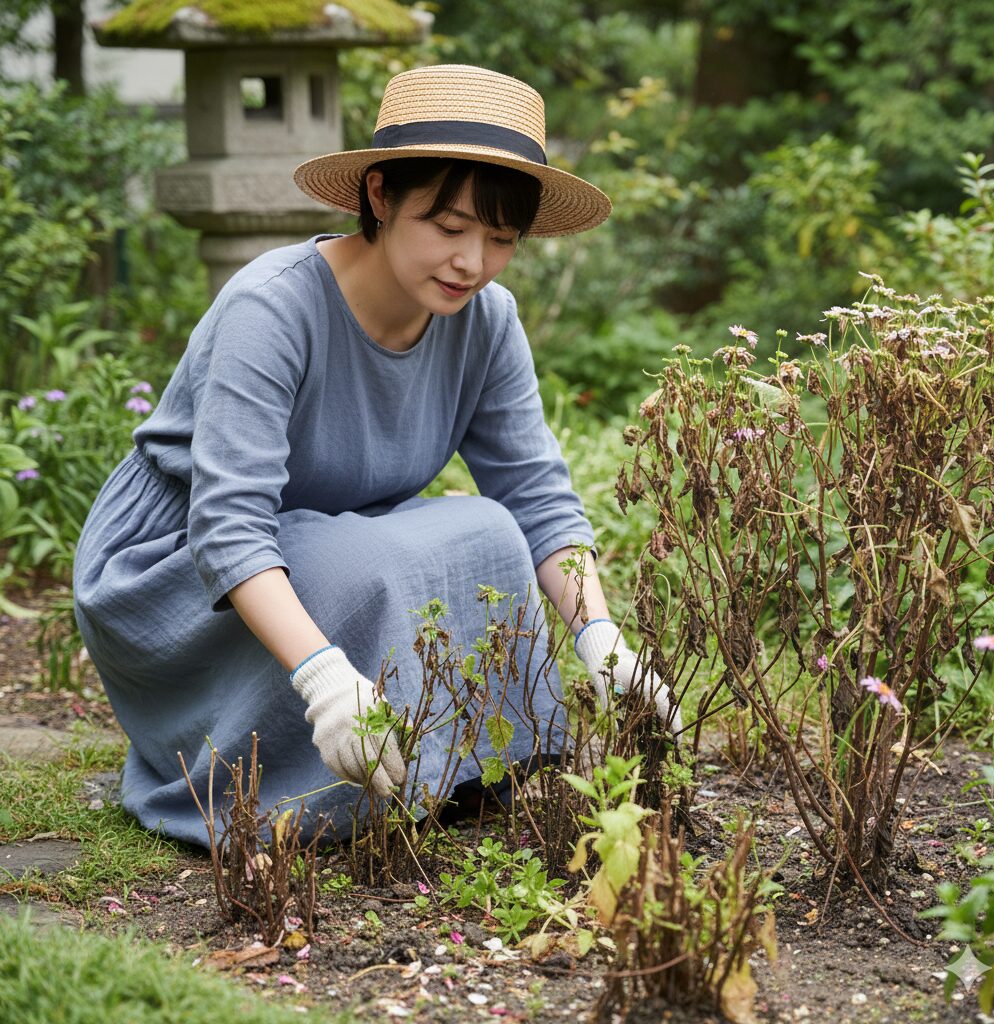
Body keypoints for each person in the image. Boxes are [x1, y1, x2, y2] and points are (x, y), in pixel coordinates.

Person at [73, 64, 680, 846]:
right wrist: (324, 681)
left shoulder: (486, 321)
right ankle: (310, 785)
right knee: (364, 565)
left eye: (501, 239)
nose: (473, 262)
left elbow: (536, 498)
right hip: (172, 567)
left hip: (322, 535)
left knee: (489, 531)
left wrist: (600, 635)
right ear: (381, 197)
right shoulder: (275, 306)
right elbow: (227, 524)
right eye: (450, 227)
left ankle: (464, 772)